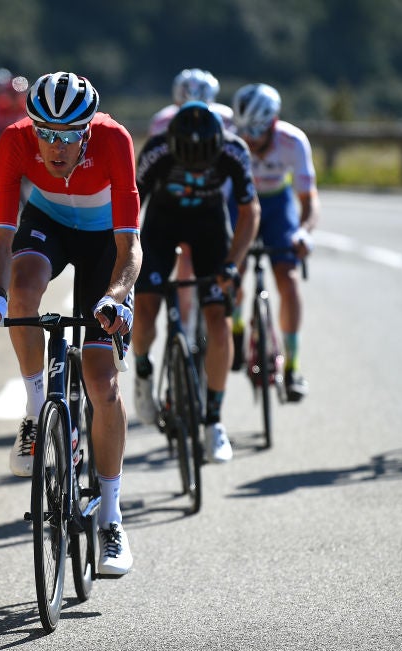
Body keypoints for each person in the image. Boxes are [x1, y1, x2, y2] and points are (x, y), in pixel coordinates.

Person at [0, 71, 141, 576]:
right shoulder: (15, 140)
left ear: (87, 130)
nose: (56, 146)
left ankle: (110, 519)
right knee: (23, 290)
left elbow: (130, 246)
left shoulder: (114, 140)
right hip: (48, 224)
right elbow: (1, 237)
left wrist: (114, 298)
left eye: (68, 135)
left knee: (102, 384)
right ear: (32, 127)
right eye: (46, 133)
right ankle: (34, 411)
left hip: (106, 241)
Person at [132, 102, 259, 463]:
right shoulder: (156, 150)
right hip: (161, 226)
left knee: (218, 323)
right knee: (145, 308)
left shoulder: (234, 151)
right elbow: (131, 206)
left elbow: (250, 212)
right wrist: (126, 254)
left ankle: (214, 421)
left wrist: (233, 264)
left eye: (203, 164)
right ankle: (143, 373)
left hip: (210, 229)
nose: (197, 170)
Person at [231, 83, 319, 402]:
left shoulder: (293, 142)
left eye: (256, 130)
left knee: (288, 279)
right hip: (240, 204)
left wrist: (304, 232)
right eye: (244, 130)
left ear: (273, 123)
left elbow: (309, 201)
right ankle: (237, 329)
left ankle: (292, 367)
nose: (250, 138)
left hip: (277, 205)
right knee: (232, 271)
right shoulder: (231, 139)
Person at [149, 69, 237, 343]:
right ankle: (185, 325)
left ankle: (228, 321)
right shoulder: (162, 121)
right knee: (183, 262)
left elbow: (227, 171)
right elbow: (156, 167)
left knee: (227, 264)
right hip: (170, 207)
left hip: (212, 203)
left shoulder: (226, 120)